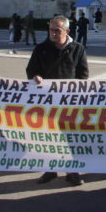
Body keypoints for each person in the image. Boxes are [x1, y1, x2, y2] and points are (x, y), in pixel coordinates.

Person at [26, 15, 89, 186]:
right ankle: (50, 169)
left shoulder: (78, 48)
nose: (53, 33)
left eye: (57, 30)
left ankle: (72, 170)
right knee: (49, 137)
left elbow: (83, 74)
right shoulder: (41, 48)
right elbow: (31, 69)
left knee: (70, 137)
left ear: (67, 31)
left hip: (70, 102)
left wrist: (77, 93)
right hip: (47, 101)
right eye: (51, 29)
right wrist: (35, 77)